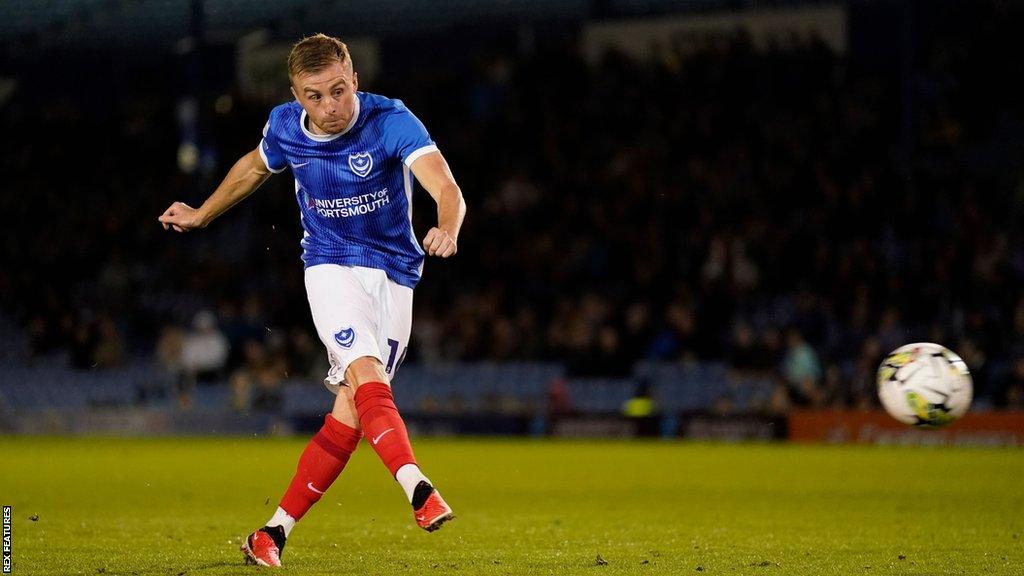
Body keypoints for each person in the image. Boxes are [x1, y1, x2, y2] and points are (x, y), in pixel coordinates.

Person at [158, 33, 466, 568]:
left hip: (396, 275)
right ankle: (418, 488)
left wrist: (447, 226)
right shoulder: (284, 127)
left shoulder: (391, 121)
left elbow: (446, 187)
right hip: (329, 265)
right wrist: (203, 213)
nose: (328, 107)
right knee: (364, 370)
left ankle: (271, 533)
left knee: (352, 409)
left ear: (354, 80)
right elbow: (254, 168)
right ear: (296, 95)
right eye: (313, 96)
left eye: (338, 91)